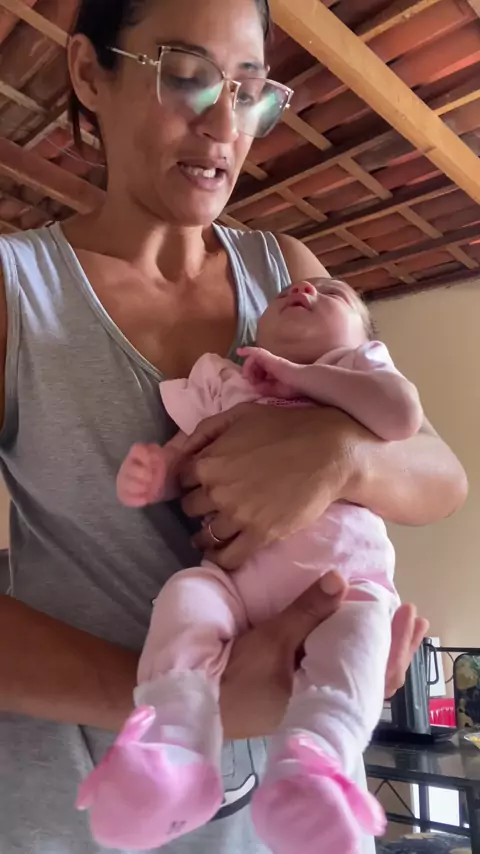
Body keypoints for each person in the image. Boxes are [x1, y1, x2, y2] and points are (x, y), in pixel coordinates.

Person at [0, 1, 466, 853]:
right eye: (186, 76)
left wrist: (339, 458)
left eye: (248, 91)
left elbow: (440, 475)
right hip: (75, 818)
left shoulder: (287, 274)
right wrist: (191, 702)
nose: (224, 126)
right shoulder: (17, 290)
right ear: (87, 74)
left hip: (280, 823)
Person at [78, 277, 421, 852]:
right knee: (186, 596)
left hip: (345, 585)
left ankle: (316, 766)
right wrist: (157, 475)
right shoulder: (227, 384)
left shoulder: (358, 371)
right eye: (289, 290)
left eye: (334, 293)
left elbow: (402, 416)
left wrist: (299, 376)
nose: (305, 287)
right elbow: (188, 455)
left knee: (360, 639)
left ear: (362, 338)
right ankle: (175, 742)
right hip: (235, 587)